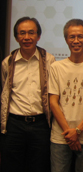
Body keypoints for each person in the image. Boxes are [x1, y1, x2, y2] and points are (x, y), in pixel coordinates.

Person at [1, 16, 55, 172]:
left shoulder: (49, 61)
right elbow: (5, 92)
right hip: (14, 125)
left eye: (31, 33)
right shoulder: (8, 62)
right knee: (11, 166)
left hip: (40, 124)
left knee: (39, 166)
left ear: (38, 36)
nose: (26, 37)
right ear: (16, 37)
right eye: (22, 33)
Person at [49, 19, 83, 172]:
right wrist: (69, 133)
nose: (76, 41)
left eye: (80, 36)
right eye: (72, 37)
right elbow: (53, 102)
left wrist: (77, 131)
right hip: (60, 137)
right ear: (66, 39)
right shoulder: (56, 67)